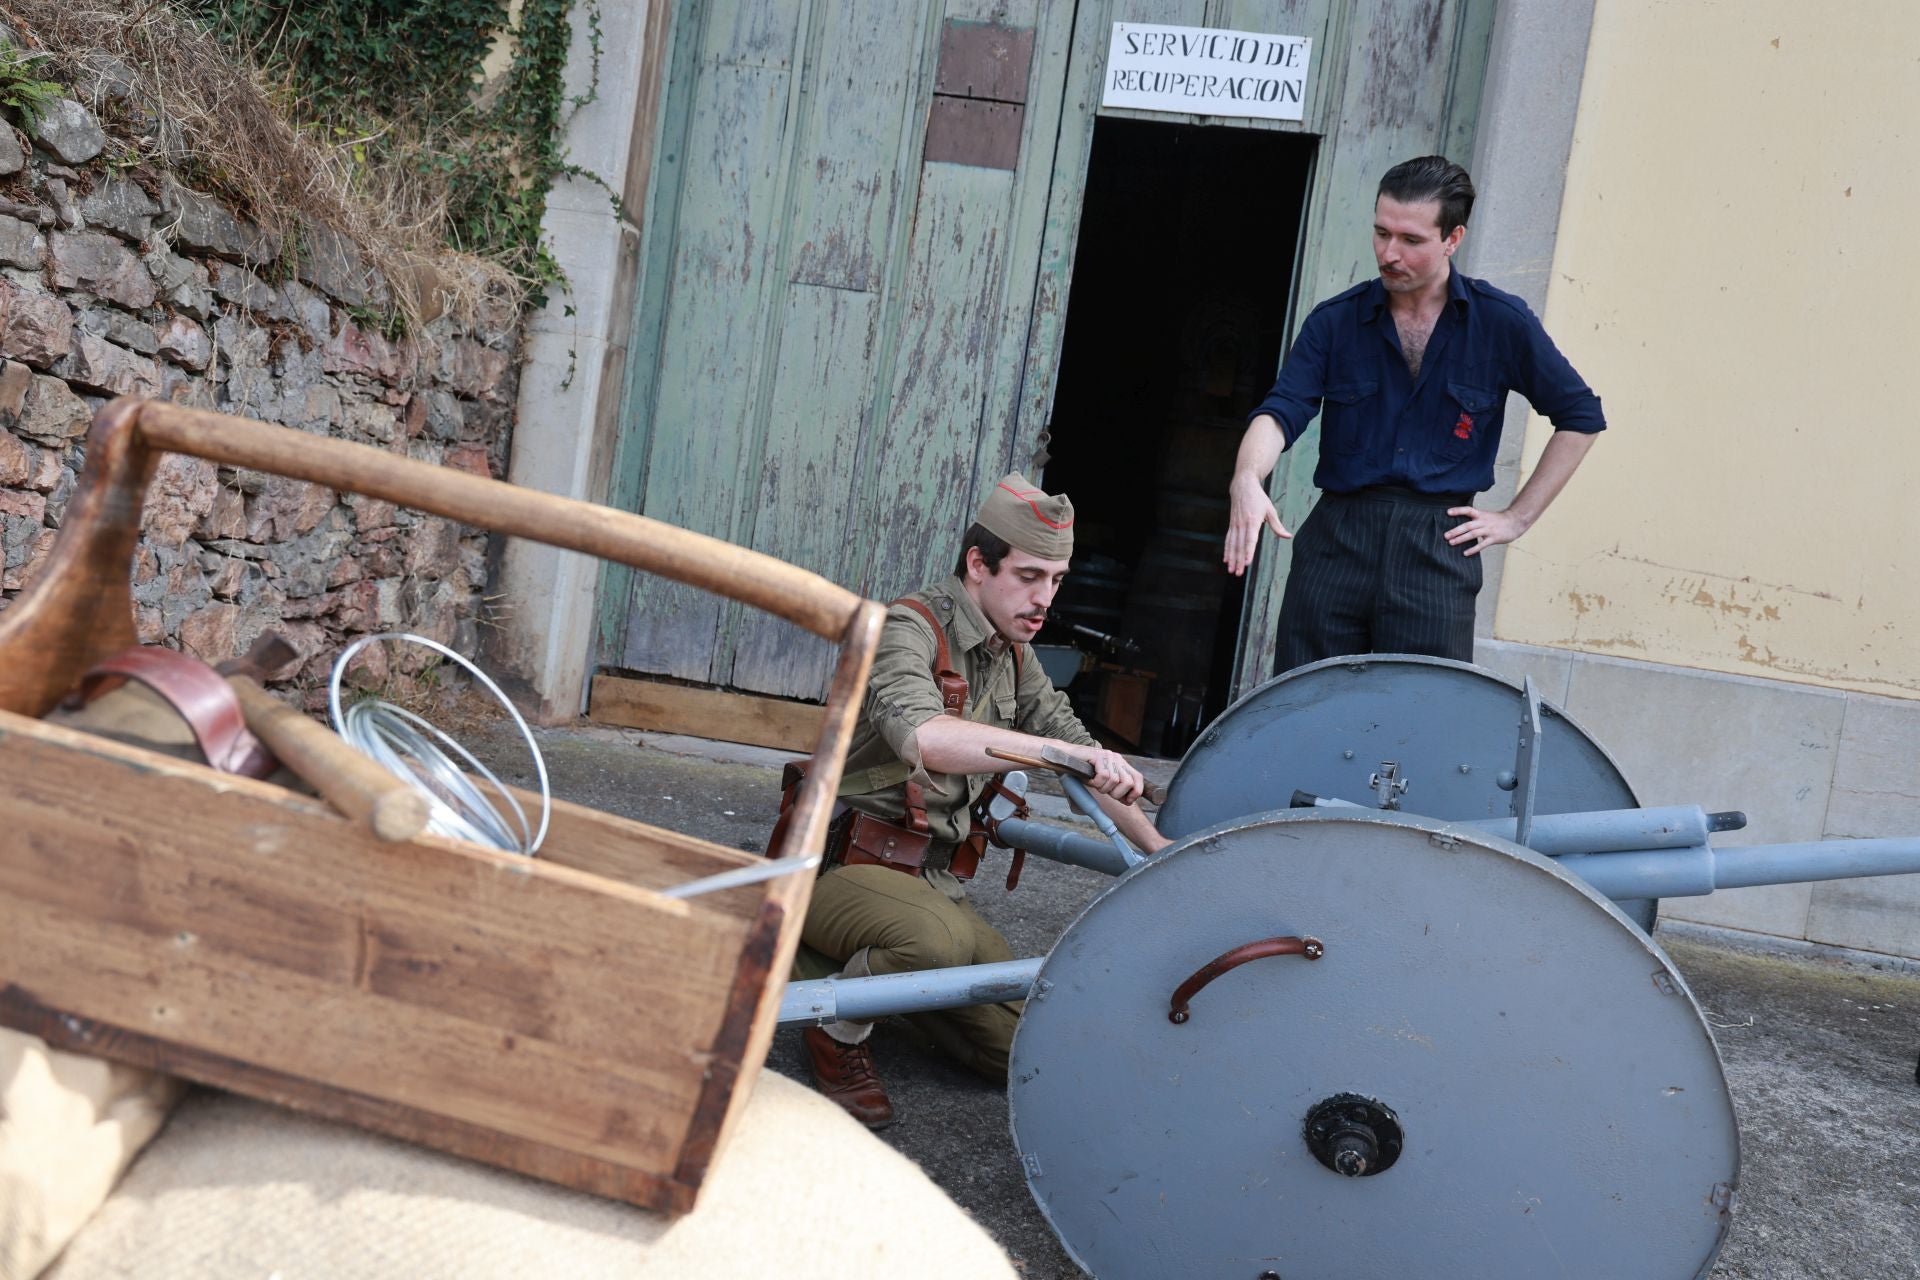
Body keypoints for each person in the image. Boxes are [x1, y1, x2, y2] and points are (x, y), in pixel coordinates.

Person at [796, 474, 1169, 1128]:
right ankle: (835, 1028)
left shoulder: (1015, 657)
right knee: (935, 945)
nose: (1044, 598)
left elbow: (1084, 757)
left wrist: (1161, 851)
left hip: (931, 884)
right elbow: (926, 737)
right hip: (841, 870)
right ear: (977, 564)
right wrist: (1049, 752)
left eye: (1056, 580)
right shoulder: (907, 628)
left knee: (1024, 1049)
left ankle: (866, 981)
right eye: (1029, 576)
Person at [1223, 155, 1605, 672]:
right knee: (1308, 701)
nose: (1389, 253)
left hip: (1438, 545)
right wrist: (1247, 477)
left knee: (1423, 707)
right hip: (1339, 537)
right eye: (1381, 233)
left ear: (1453, 238)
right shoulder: (1335, 321)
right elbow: (1282, 410)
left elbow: (1580, 416)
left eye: (1411, 240)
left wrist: (1517, 518)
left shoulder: (1500, 323)